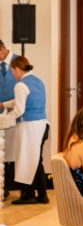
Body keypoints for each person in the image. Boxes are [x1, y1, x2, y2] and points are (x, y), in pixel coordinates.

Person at [3, 56, 49, 205]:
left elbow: (19, 109)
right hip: (42, 124)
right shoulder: (37, 81)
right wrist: (3, 104)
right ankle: (42, 194)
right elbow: (21, 100)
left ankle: (28, 194)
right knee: (36, 160)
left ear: (17, 69)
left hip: (29, 126)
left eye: (12, 71)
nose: (12, 74)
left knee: (25, 160)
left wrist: (5, 118)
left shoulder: (20, 85)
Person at [0, 40, 18, 200]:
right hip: (1, 113)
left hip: (14, 115)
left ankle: (7, 186)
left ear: (3, 48)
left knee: (9, 151)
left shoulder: (18, 62)